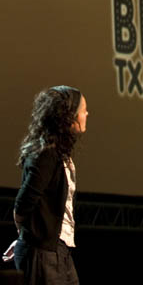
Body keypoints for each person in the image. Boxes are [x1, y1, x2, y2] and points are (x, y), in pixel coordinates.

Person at [2, 86, 88, 284]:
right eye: (83, 110)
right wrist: (27, 238)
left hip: (60, 250)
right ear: (69, 116)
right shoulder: (46, 154)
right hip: (45, 253)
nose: (86, 114)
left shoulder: (60, 154)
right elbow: (23, 204)